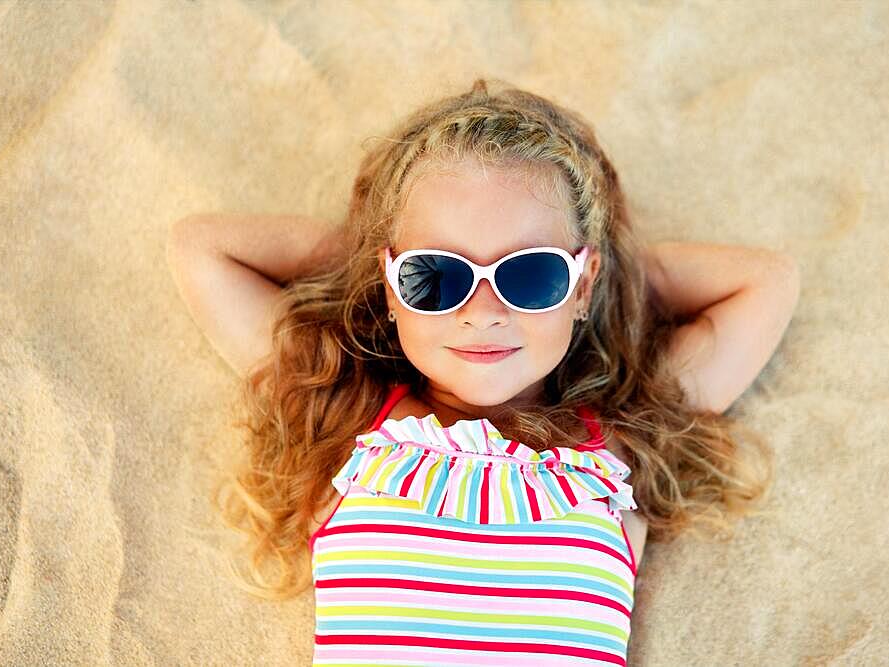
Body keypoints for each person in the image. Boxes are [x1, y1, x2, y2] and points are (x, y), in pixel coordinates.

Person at [166, 77, 799, 666]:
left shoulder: (616, 451)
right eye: (435, 276)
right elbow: (202, 250)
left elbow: (767, 283)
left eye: (531, 273)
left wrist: (612, 282)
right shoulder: (348, 421)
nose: (483, 312)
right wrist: (369, 261)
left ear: (583, 284)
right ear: (390, 285)